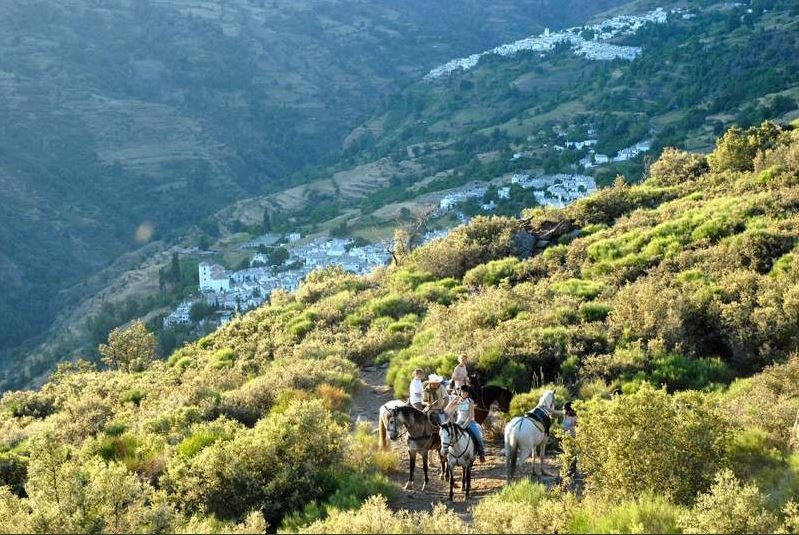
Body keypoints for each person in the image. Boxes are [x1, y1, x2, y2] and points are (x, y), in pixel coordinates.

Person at [444, 385, 485, 462]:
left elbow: (471, 416)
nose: (464, 393)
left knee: (478, 435)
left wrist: (464, 426)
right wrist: (452, 403)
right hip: (459, 421)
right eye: (463, 392)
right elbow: (446, 410)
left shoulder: (470, 401)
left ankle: (481, 453)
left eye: (466, 392)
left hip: (470, 422)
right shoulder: (457, 400)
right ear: (460, 392)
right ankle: (446, 453)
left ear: (468, 393)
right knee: (448, 434)